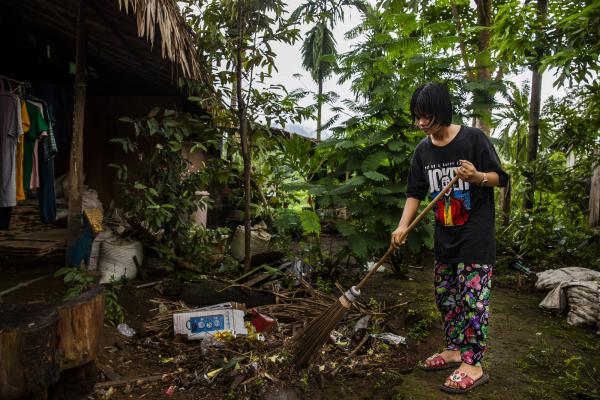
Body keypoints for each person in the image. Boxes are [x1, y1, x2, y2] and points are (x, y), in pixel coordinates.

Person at [391, 83, 508, 394]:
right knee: (447, 297)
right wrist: (402, 227)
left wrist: (477, 177)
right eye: (416, 117)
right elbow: (415, 193)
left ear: (441, 111)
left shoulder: (473, 139)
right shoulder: (423, 150)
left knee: (473, 301)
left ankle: (473, 363)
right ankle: (454, 349)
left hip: (475, 234)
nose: (420, 123)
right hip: (445, 235)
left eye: (425, 116)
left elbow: (500, 178)